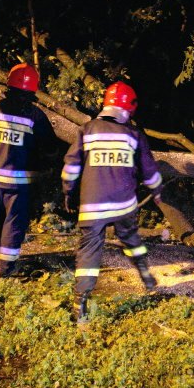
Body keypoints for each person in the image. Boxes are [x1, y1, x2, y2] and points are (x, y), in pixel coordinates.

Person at [62, 81, 163, 323]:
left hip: (92, 206)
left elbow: (71, 168)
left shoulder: (86, 130)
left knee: (89, 252)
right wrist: (157, 190)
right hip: (123, 205)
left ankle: (81, 302)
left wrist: (68, 193)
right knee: (131, 239)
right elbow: (149, 169)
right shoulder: (133, 135)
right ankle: (146, 275)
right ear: (128, 108)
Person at [0, 63, 54, 276]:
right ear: (33, 87)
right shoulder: (35, 114)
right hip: (20, 181)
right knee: (14, 223)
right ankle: (7, 269)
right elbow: (48, 147)